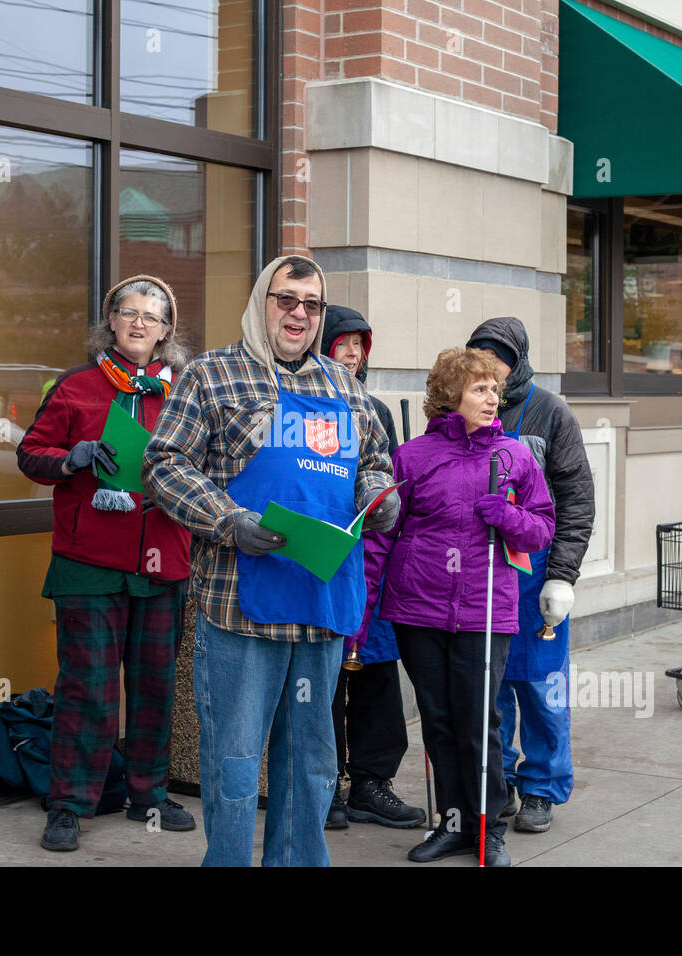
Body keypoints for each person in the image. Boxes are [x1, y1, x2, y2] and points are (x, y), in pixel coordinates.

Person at [142, 255, 397, 867]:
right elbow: (164, 465)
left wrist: (378, 497)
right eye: (286, 299)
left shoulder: (344, 386)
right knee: (234, 761)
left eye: (311, 304)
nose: (299, 314)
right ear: (262, 301)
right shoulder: (211, 375)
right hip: (238, 606)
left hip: (319, 602)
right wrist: (229, 520)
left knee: (310, 763)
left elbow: (376, 463)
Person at [17, 275, 195, 852]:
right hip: (88, 562)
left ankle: (148, 794)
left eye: (152, 316)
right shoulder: (76, 387)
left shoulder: (184, 393)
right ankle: (70, 803)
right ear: (111, 322)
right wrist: (72, 458)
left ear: (167, 331)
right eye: (129, 312)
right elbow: (30, 456)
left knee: (154, 686)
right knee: (87, 689)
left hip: (161, 559)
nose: (140, 323)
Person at [361, 347, 554, 867]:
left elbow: (542, 527)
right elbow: (381, 538)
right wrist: (364, 607)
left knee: (478, 721)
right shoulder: (412, 458)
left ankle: (488, 828)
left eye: (495, 389)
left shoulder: (515, 456)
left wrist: (509, 518)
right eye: (480, 389)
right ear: (451, 397)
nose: (493, 398)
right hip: (417, 608)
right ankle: (452, 825)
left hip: (484, 610)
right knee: (439, 720)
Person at [467, 317, 595, 834]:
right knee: (490, 688)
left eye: (499, 355)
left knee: (541, 686)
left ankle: (541, 787)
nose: (490, 364)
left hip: (535, 577)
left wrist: (561, 576)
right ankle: (498, 782)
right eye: (480, 353)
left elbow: (577, 500)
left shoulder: (550, 413)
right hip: (480, 577)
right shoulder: (465, 409)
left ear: (516, 360)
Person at [321, 306, 423, 830]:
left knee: (376, 676)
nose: (355, 354)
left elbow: (386, 486)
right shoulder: (298, 402)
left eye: (361, 345)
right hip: (319, 559)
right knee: (321, 683)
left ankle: (370, 782)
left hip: (372, 561)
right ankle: (326, 786)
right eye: (344, 343)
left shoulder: (375, 410)